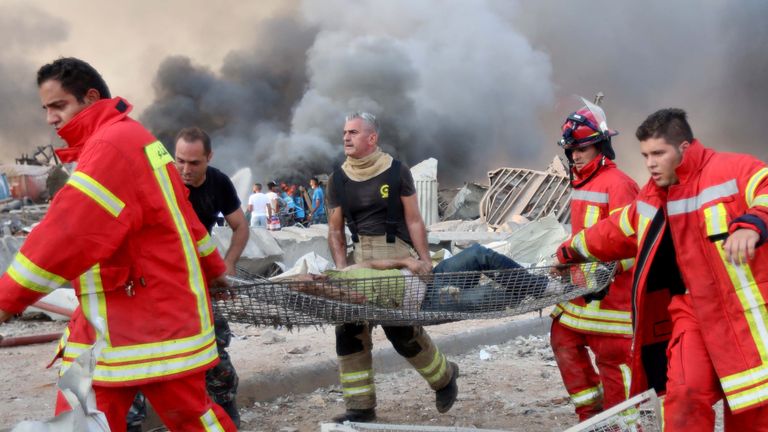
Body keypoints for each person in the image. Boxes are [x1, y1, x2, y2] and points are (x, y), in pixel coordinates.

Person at [0, 57, 236, 431]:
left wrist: (5, 300)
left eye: (59, 105)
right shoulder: (137, 140)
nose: (50, 119)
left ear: (90, 97)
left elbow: (66, 234)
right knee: (81, 415)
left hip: (143, 317)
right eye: (45, 108)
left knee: (185, 415)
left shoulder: (110, 148)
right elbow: (185, 218)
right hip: (116, 315)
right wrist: (215, 270)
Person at [556, 108, 768, 431]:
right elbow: (616, 230)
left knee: (752, 411)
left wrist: (753, 224)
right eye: (645, 155)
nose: (650, 164)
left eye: (658, 153)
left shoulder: (731, 169)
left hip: (743, 314)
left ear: (684, 148)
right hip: (691, 312)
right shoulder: (653, 197)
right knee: (682, 398)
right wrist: (567, 251)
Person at [326, 112, 457, 423]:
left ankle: (445, 378)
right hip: (361, 261)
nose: (346, 137)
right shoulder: (338, 179)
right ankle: (360, 408)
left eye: (353, 132)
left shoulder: (397, 172)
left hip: (396, 254)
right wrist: (343, 270)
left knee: (400, 332)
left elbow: (414, 219)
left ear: (372, 138)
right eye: (344, 132)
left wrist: (424, 260)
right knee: (348, 329)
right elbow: (334, 230)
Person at [549, 102, 639, 420]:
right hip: (582, 294)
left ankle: (623, 424)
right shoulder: (584, 181)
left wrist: (602, 272)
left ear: (600, 145)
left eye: (582, 148)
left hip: (611, 302)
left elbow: (630, 245)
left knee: (614, 364)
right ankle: (591, 416)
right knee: (562, 335)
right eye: (571, 149)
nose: (575, 156)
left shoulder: (620, 185)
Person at [290, 244, 556, 312]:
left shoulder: (340, 272)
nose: (316, 275)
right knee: (495, 298)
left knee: (478, 253)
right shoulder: (339, 302)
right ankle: (529, 293)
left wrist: (406, 261)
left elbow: (371, 262)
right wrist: (323, 291)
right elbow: (359, 299)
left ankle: (542, 286)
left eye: (312, 274)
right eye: (312, 280)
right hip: (428, 303)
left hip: (431, 278)